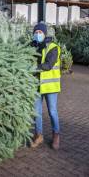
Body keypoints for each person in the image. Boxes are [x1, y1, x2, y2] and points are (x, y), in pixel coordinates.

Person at [31, 22, 61, 150]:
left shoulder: (53, 47)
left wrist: (33, 68)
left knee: (52, 111)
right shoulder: (31, 47)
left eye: (40, 32)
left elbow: (48, 65)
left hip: (50, 87)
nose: (38, 34)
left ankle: (56, 135)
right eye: (36, 32)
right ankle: (38, 135)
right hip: (36, 86)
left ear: (45, 34)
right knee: (37, 112)